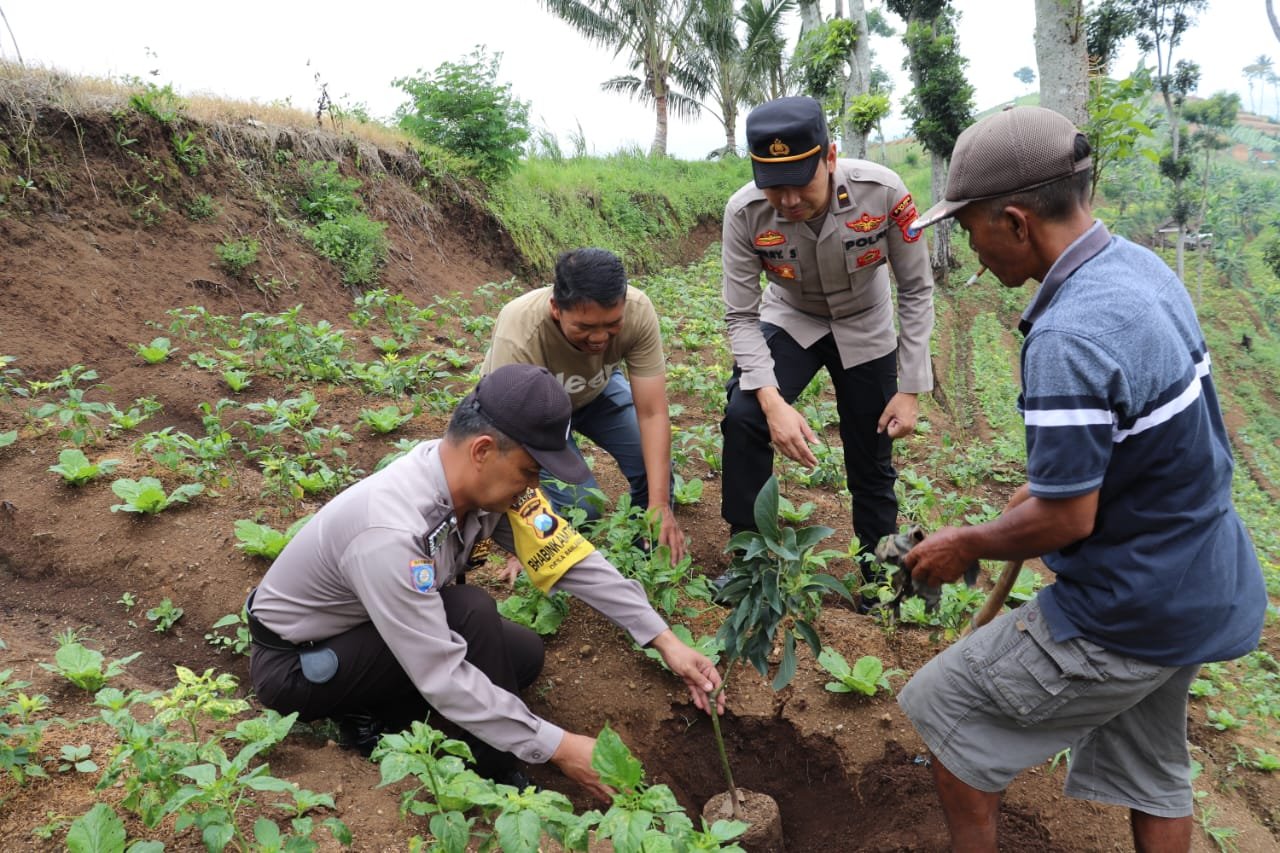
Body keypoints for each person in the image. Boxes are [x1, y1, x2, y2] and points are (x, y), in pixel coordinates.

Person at [898, 106, 1267, 851]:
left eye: (967, 227)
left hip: (1131, 606)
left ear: (1014, 221)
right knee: (1155, 769)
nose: (969, 248)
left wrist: (968, 543)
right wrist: (1045, 494)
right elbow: (1145, 445)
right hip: (1201, 574)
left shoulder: (1068, 334)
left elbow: (1067, 520)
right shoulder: (1138, 268)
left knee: (948, 718)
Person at [248, 363, 723, 800]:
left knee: (521, 655)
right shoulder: (389, 532)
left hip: (364, 632)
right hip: (300, 664)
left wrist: (662, 639)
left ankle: (394, 709)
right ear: (482, 450)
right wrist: (555, 746)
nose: (533, 488)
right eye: (529, 472)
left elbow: (571, 559)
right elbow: (442, 673)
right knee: (471, 613)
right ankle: (498, 772)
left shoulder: (477, 486)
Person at [720, 95, 934, 566]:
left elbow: (916, 289)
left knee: (872, 453)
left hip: (866, 320)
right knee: (745, 415)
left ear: (830, 156)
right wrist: (772, 403)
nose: (790, 200)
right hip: (793, 315)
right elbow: (739, 315)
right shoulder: (744, 212)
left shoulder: (883, 192)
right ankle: (749, 558)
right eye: (775, 187)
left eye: (800, 183)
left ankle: (879, 574)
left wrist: (912, 386)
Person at [483, 248, 685, 561]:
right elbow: (510, 435)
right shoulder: (520, 331)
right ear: (555, 308)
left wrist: (660, 505)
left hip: (594, 391)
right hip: (531, 413)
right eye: (585, 327)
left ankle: (643, 551)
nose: (599, 338)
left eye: (611, 324)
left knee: (654, 464)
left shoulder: (638, 310)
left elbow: (653, 412)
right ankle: (541, 540)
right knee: (583, 507)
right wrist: (518, 540)